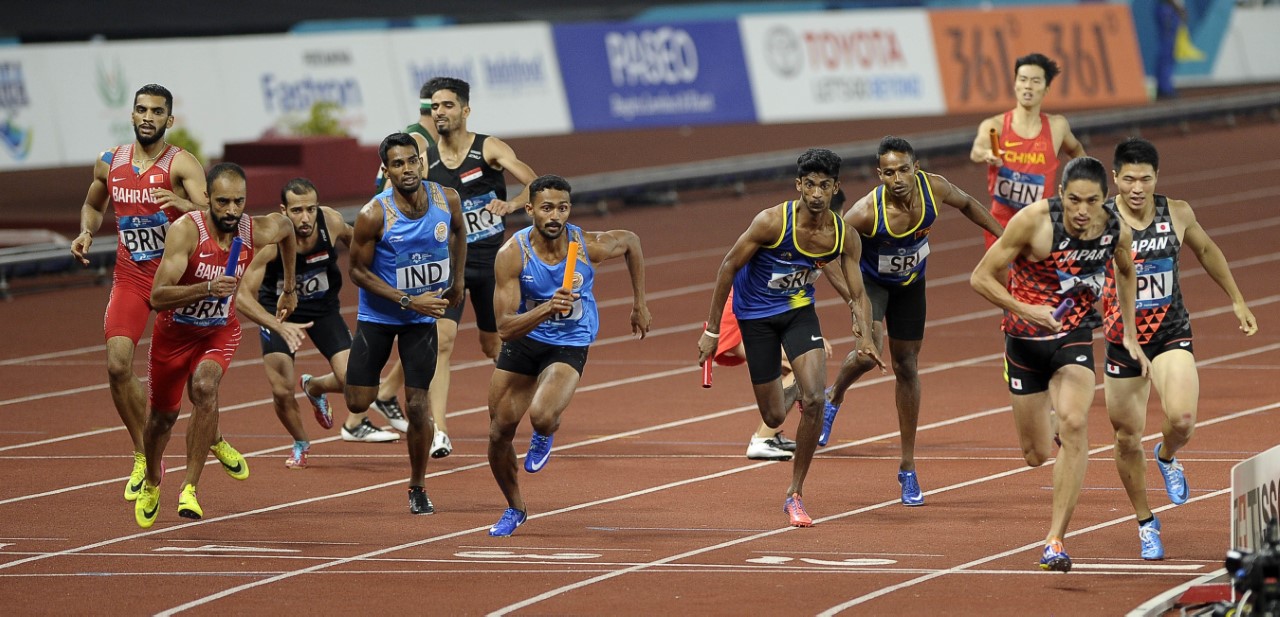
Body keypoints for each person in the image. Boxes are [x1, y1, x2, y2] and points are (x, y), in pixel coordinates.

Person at [969, 156, 1150, 572]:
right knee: (1034, 455)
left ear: (1107, 199)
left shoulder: (1113, 227)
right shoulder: (1034, 222)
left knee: (1074, 423)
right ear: (1060, 196)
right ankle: (1043, 415)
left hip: (1074, 337)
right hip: (1024, 341)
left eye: (1091, 201)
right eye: (1073, 201)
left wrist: (1128, 333)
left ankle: (1055, 540)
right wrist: (1025, 309)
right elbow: (980, 277)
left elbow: (1125, 271)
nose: (1082, 211)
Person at [697, 148, 883, 528]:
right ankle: (788, 400)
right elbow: (728, 266)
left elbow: (858, 292)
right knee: (774, 414)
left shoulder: (843, 235)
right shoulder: (770, 222)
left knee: (815, 397)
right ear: (799, 185)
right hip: (756, 318)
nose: (816, 193)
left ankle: (794, 493)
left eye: (824, 186)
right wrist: (712, 331)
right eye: (810, 185)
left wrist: (864, 334)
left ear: (835, 188)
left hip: (798, 313)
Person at [819, 136, 1004, 506]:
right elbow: (828, 254)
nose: (898, 178)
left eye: (904, 169)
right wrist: (855, 306)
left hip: (910, 287)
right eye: (889, 173)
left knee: (907, 366)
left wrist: (1005, 239)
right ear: (879, 175)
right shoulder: (865, 212)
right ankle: (834, 395)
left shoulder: (933, 188)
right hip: (872, 287)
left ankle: (907, 467)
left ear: (915, 167)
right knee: (866, 354)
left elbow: (968, 203)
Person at [1101, 137, 1258, 559]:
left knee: (1183, 420)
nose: (1137, 188)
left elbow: (1206, 250)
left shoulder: (1178, 212)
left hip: (1170, 333)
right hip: (1122, 342)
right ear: (1114, 178)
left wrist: (1237, 299)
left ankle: (1167, 454)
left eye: (1145, 179)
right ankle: (1146, 522)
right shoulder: (1099, 221)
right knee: (1125, 438)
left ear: (1157, 178)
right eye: (1129, 179)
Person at [371, 77, 539, 460]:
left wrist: (511, 206)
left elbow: (536, 184)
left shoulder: (488, 148)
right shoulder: (422, 158)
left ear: (465, 110)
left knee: (494, 345)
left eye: (447, 105)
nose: (439, 112)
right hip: (450, 267)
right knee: (441, 343)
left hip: (494, 266)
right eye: (434, 106)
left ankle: (524, 402)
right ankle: (440, 432)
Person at [132, 162, 298, 528]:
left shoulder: (252, 229)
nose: (231, 211)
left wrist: (289, 287)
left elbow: (287, 230)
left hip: (218, 332)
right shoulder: (185, 233)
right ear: (207, 199)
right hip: (174, 335)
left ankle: (189, 488)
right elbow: (157, 298)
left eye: (239, 201)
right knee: (162, 418)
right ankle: (153, 480)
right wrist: (206, 288)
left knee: (205, 388)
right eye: (223, 202)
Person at [485, 174, 651, 537]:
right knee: (499, 432)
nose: (555, 216)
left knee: (542, 415)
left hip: (570, 340)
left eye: (562, 208)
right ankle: (515, 507)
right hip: (524, 340)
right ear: (530, 209)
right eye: (546, 208)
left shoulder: (587, 245)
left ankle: (546, 431)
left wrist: (639, 302)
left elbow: (632, 242)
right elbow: (505, 327)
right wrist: (546, 308)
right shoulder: (512, 255)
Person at [69, 83, 208, 503]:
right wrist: (87, 231)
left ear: (170, 119)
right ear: (132, 115)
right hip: (131, 277)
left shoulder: (181, 164)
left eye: (157, 111)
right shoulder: (110, 161)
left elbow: (217, 212)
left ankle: (210, 438)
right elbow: (95, 204)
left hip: (176, 280)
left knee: (193, 384)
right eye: (141, 110)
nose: (148, 117)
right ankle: (141, 452)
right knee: (116, 365)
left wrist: (182, 205)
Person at [236, 178, 398, 470]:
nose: (306, 217)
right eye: (297, 211)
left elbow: (359, 242)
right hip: (280, 314)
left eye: (311, 209)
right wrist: (277, 325)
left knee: (355, 382)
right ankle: (300, 442)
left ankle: (315, 388)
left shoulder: (331, 222)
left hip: (324, 310)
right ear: (283, 210)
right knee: (282, 389)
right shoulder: (271, 244)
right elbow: (243, 298)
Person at [344, 132, 465, 515]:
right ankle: (319, 385)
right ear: (386, 170)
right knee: (358, 400)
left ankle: (417, 485)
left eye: (412, 161)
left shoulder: (447, 199)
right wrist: (405, 298)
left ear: (421, 162)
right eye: (398, 164)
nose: (407, 169)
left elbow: (461, 233)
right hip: (378, 316)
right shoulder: (373, 214)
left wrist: (458, 279)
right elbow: (357, 272)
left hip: (420, 320)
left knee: (417, 405)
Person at [970, 53, 1085, 249]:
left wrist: (1084, 182)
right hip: (1000, 226)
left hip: (1041, 224)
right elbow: (976, 151)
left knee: (1041, 279)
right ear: (1015, 84)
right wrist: (987, 154)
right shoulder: (995, 125)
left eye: (1035, 81)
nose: (1028, 86)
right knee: (995, 279)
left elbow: (1076, 150)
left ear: (1046, 88)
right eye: (1022, 79)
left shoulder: (1057, 127)